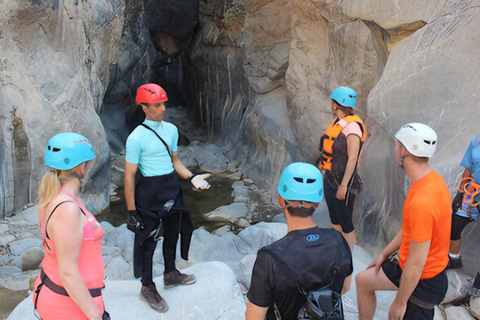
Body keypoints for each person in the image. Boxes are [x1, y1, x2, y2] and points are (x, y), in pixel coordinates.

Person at [124, 83, 210, 313]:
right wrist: (132, 212)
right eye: (157, 105)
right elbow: (130, 176)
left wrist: (192, 178)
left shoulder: (171, 130)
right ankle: (147, 286)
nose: (163, 108)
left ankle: (170, 273)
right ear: (144, 108)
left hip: (171, 186)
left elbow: (175, 162)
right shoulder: (136, 138)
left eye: (163, 103)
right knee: (148, 241)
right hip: (149, 191)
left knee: (174, 230)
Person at [355, 123, 451, 320]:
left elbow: (417, 264)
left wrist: (399, 303)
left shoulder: (422, 202)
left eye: (396, 145)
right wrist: (385, 253)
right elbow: (409, 228)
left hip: (424, 280)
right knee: (363, 280)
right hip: (407, 266)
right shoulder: (430, 181)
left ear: (405, 150)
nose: (394, 150)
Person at [246, 162, 353, 320]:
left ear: (281, 200)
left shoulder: (269, 258)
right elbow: (345, 287)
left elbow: (254, 317)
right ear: (318, 202)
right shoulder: (338, 240)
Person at [33, 132, 109, 320]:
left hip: (62, 298)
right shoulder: (67, 209)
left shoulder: (53, 197)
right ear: (81, 167)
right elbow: (67, 272)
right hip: (68, 308)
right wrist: (95, 316)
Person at [318, 86, 367, 250]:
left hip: (344, 180)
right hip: (331, 177)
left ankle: (347, 257)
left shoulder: (353, 127)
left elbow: (352, 158)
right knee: (334, 217)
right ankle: (338, 251)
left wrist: (344, 185)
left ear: (335, 104)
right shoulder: (339, 121)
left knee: (345, 221)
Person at [448, 135, 480, 269]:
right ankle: (454, 259)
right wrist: (461, 193)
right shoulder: (477, 142)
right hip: (473, 193)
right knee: (455, 223)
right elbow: (469, 169)